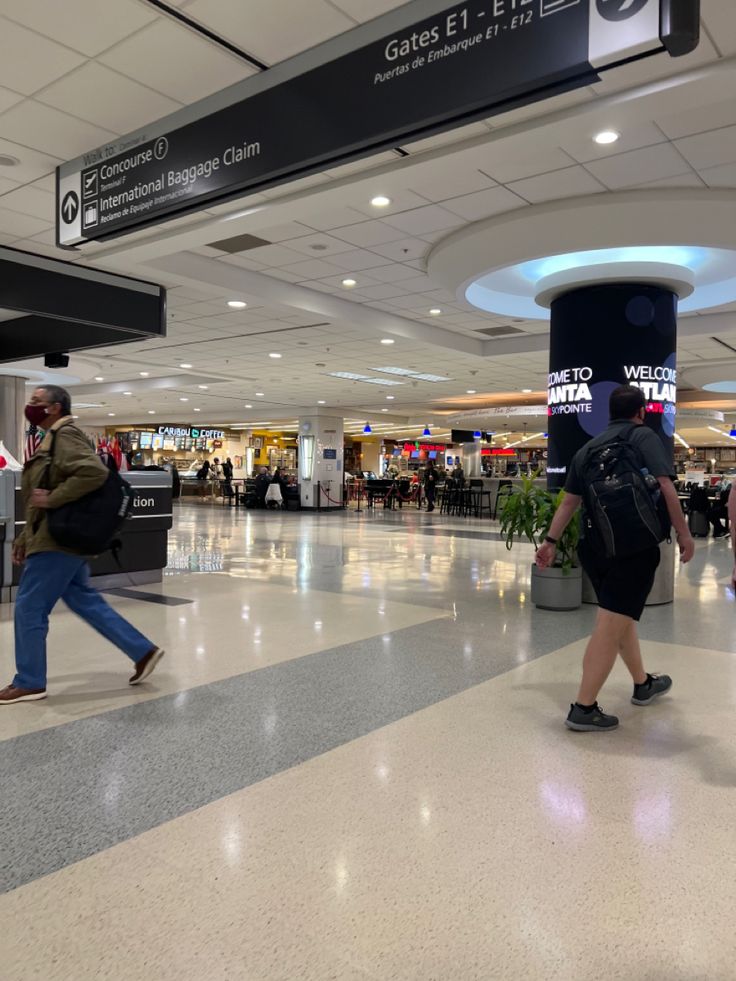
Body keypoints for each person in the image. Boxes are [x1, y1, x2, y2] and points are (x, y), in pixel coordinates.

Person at [536, 385, 695, 733]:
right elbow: (667, 487)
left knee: (619, 615)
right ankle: (583, 707)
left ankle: (643, 683)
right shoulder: (643, 437)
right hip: (634, 550)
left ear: (609, 413)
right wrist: (684, 534)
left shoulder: (587, 449)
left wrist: (550, 542)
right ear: (640, 412)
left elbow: (568, 503)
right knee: (610, 625)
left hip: (595, 548)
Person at [1, 385, 163, 704]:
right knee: (82, 598)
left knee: (30, 607)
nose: (31, 406)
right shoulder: (52, 437)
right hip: (56, 537)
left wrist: (54, 498)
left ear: (56, 408)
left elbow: (92, 473)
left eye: (38, 402)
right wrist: (24, 536)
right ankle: (142, 651)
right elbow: (42, 495)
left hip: (58, 541)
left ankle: (30, 681)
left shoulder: (65, 435)